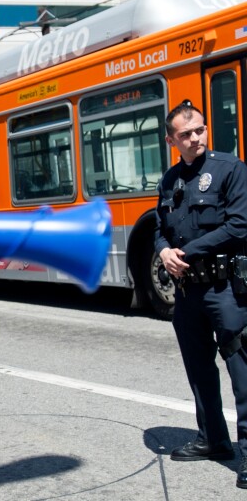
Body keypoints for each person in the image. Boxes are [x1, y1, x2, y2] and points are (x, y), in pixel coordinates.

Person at [155, 100, 247, 488]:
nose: (195, 138)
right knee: (199, 369)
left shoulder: (231, 169)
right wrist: (162, 250)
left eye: (200, 131)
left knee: (242, 370)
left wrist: (186, 253)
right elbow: (162, 226)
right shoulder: (169, 179)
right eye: (186, 134)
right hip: (188, 292)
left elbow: (240, 225)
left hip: (225, 288)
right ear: (171, 139)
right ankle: (213, 439)